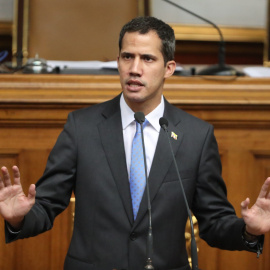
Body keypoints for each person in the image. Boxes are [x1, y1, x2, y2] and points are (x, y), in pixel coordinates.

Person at [1, 16, 270, 270]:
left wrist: (249, 231)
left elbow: (214, 223)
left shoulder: (196, 136)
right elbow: (46, 206)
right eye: (127, 57)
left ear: (169, 69)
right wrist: (18, 218)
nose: (134, 69)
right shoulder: (81, 128)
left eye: (147, 58)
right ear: (117, 61)